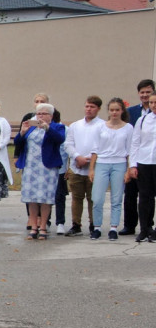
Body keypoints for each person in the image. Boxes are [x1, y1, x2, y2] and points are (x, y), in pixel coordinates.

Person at [14, 103, 65, 240]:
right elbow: (18, 142)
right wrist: (22, 132)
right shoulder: (31, 128)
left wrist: (47, 128)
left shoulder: (57, 127)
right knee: (31, 198)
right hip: (31, 166)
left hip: (47, 168)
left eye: (44, 114)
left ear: (51, 116)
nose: (41, 116)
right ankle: (34, 227)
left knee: (45, 198)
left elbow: (60, 139)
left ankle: (43, 227)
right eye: (39, 113)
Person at [88, 98, 132, 240]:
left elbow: (130, 150)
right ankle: (97, 227)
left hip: (119, 163)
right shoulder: (101, 127)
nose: (114, 112)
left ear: (122, 111)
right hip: (102, 163)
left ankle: (113, 227)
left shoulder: (128, 128)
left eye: (117, 110)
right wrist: (91, 169)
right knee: (97, 197)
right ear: (108, 111)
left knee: (116, 198)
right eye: (112, 110)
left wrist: (128, 169)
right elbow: (95, 149)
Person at [64, 96, 104, 236]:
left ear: (98, 109)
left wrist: (88, 159)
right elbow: (68, 144)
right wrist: (77, 157)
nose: (89, 109)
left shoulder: (102, 126)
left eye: (92, 107)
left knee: (93, 197)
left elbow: (101, 146)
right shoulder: (75, 125)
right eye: (87, 106)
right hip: (77, 167)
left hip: (94, 168)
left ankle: (94, 224)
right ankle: (76, 224)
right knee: (77, 197)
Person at [120, 79, 154, 235]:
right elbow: (130, 138)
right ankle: (131, 225)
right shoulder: (133, 113)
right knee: (132, 193)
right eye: (142, 92)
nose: (145, 95)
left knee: (148, 195)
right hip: (138, 159)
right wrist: (131, 163)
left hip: (150, 160)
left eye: (148, 92)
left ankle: (149, 225)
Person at [129, 93, 156, 242]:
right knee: (145, 197)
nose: (153, 105)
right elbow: (135, 143)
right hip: (144, 162)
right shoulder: (143, 119)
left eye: (155, 102)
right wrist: (133, 164)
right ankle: (145, 228)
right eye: (151, 102)